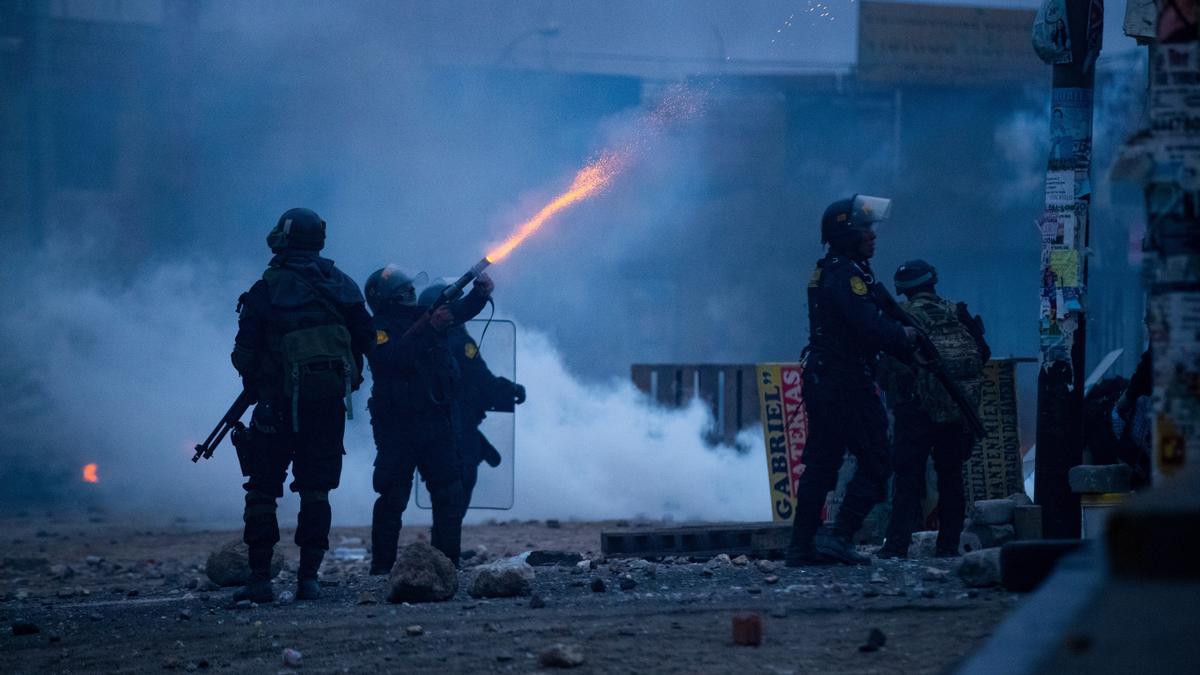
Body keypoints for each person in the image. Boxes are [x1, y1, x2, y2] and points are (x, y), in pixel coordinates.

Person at [230, 207, 373, 603]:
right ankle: (308, 579)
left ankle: (260, 580)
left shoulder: (266, 290)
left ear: (284, 238)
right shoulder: (344, 286)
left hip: (274, 408)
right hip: (327, 409)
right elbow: (368, 338)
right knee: (316, 492)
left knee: (262, 491)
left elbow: (243, 356)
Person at [785, 195, 916, 566]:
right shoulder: (847, 275)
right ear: (845, 234)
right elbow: (867, 326)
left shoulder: (835, 269)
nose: (872, 236)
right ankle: (839, 537)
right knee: (876, 459)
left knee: (823, 463)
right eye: (865, 230)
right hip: (845, 380)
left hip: (827, 377)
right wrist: (903, 337)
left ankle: (801, 546)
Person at [366, 266, 493, 573]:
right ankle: (382, 568)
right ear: (388, 298)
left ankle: (447, 565)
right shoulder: (377, 329)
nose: (411, 295)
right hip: (398, 427)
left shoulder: (423, 315)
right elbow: (392, 358)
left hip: (436, 423)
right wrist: (430, 328)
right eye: (404, 292)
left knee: (449, 492)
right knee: (392, 496)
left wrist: (479, 295)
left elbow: (458, 312)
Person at [876, 260, 988, 559]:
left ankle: (896, 546)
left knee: (907, 477)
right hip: (956, 408)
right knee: (951, 476)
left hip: (915, 409)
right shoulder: (957, 312)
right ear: (932, 282)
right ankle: (948, 546)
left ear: (903, 289)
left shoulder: (900, 318)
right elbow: (983, 354)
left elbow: (887, 366)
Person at [418, 281, 526, 517]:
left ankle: (441, 549)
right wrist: (511, 389)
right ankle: (445, 551)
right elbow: (481, 379)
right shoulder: (457, 340)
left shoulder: (420, 339)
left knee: (444, 492)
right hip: (457, 427)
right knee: (455, 493)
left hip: (434, 427)